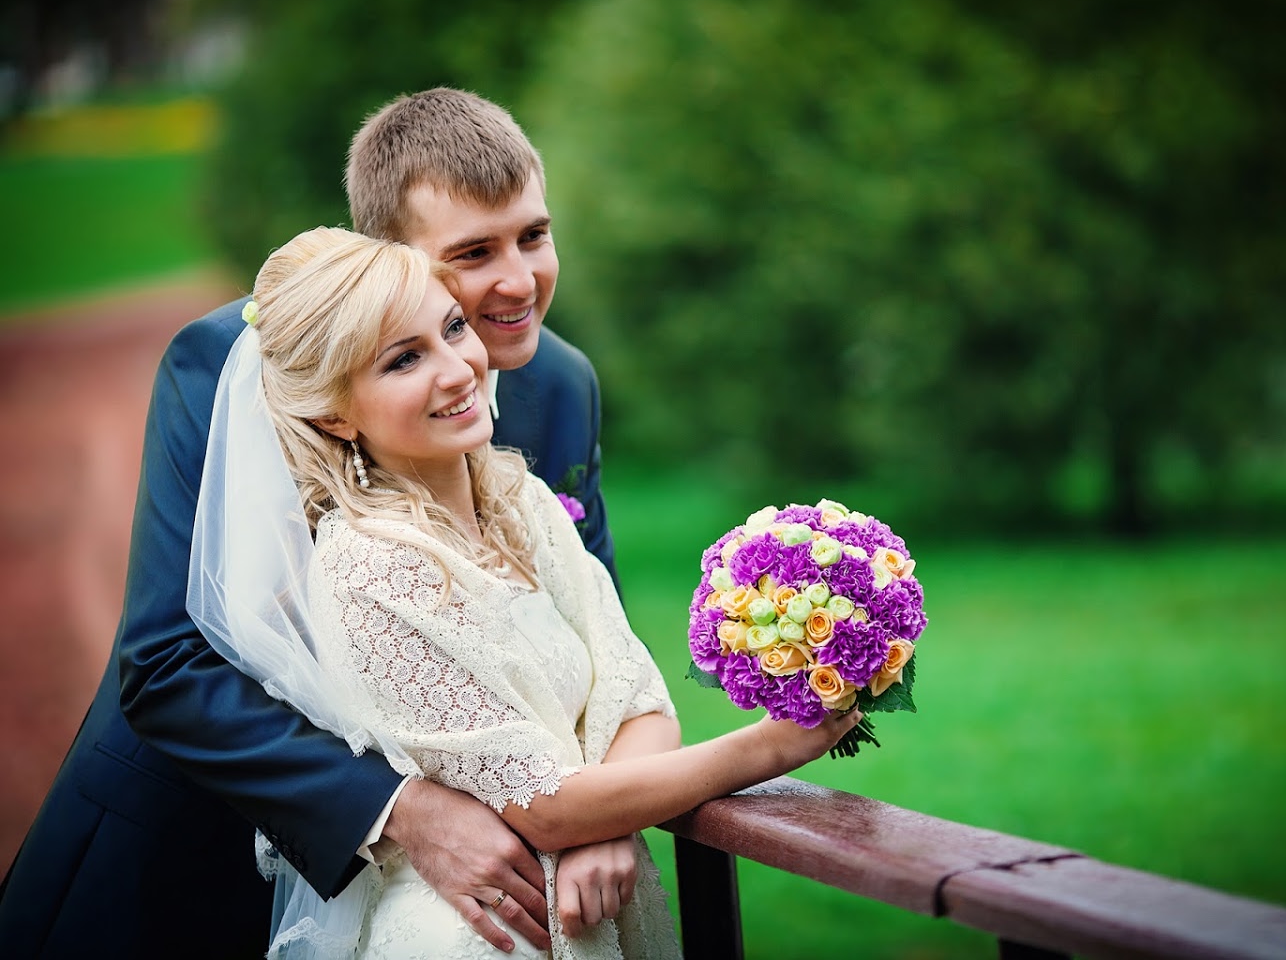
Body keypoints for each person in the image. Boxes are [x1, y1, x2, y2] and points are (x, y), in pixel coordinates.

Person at [0, 89, 612, 956]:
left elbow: (596, 645)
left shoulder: (562, 386)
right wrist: (403, 811)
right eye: (473, 253)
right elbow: (169, 665)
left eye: (533, 235)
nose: (518, 280)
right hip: (178, 870)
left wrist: (609, 809)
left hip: (454, 911)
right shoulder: (231, 365)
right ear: (385, 259)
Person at [195, 226, 858, 958]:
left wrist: (596, 827)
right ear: (333, 412)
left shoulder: (524, 499)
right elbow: (541, 803)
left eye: (452, 329)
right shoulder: (369, 566)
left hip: (595, 903)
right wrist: (768, 747)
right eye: (404, 359)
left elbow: (638, 697)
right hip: (481, 933)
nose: (458, 369)